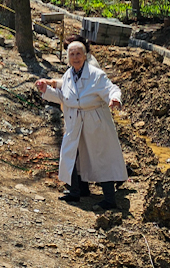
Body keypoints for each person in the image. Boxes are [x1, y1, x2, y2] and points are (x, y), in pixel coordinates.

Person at [35, 38, 126, 209]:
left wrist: (114, 99)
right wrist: (46, 90)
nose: (75, 57)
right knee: (73, 156)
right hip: (75, 121)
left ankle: (109, 199)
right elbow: (65, 98)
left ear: (85, 56)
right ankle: (76, 192)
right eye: (72, 54)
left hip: (95, 123)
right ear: (68, 58)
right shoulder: (68, 75)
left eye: (78, 54)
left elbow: (111, 88)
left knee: (101, 158)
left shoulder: (96, 75)